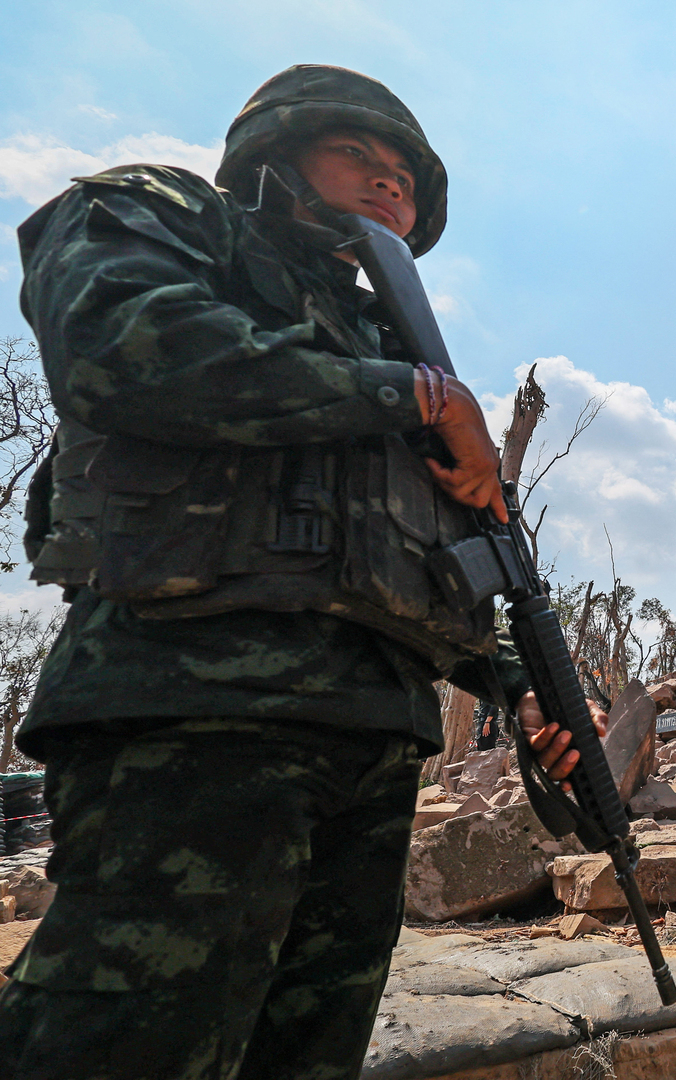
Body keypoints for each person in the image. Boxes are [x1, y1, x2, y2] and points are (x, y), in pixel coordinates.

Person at [0, 65, 602, 1079]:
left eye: (406, 176)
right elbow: (130, 349)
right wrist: (413, 396)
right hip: (192, 716)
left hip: (372, 747)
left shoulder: (388, 339)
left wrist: (515, 686)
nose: (388, 183)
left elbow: (435, 565)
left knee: (308, 1054)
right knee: (122, 1046)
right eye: (355, 153)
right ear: (274, 155)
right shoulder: (168, 214)